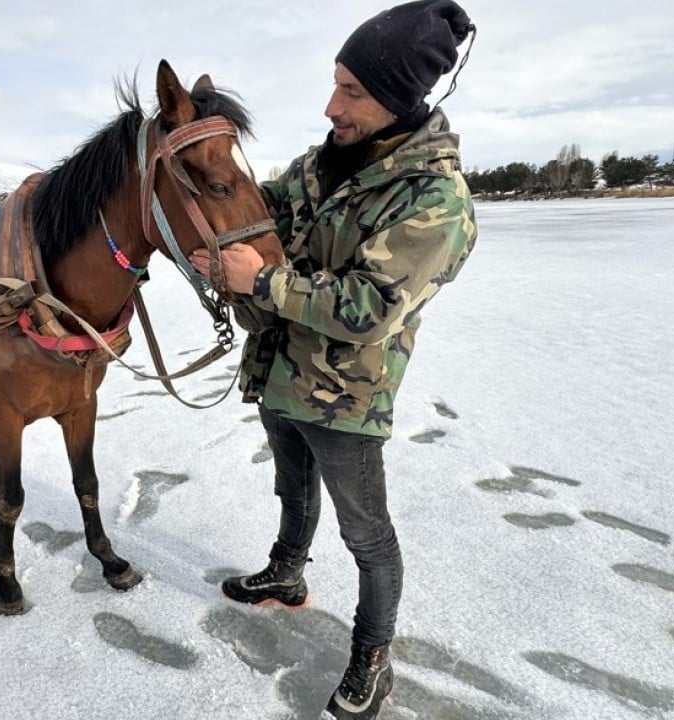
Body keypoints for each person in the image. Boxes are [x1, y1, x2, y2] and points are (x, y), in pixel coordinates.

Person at [188, 2, 478, 717]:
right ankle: (287, 574)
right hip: (280, 373)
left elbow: (369, 308)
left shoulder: (436, 201)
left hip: (345, 398)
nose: (331, 105)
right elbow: (262, 215)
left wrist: (258, 280)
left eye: (351, 91)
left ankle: (372, 661)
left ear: (401, 96)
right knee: (293, 489)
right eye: (334, 83)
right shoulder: (318, 165)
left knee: (368, 536)